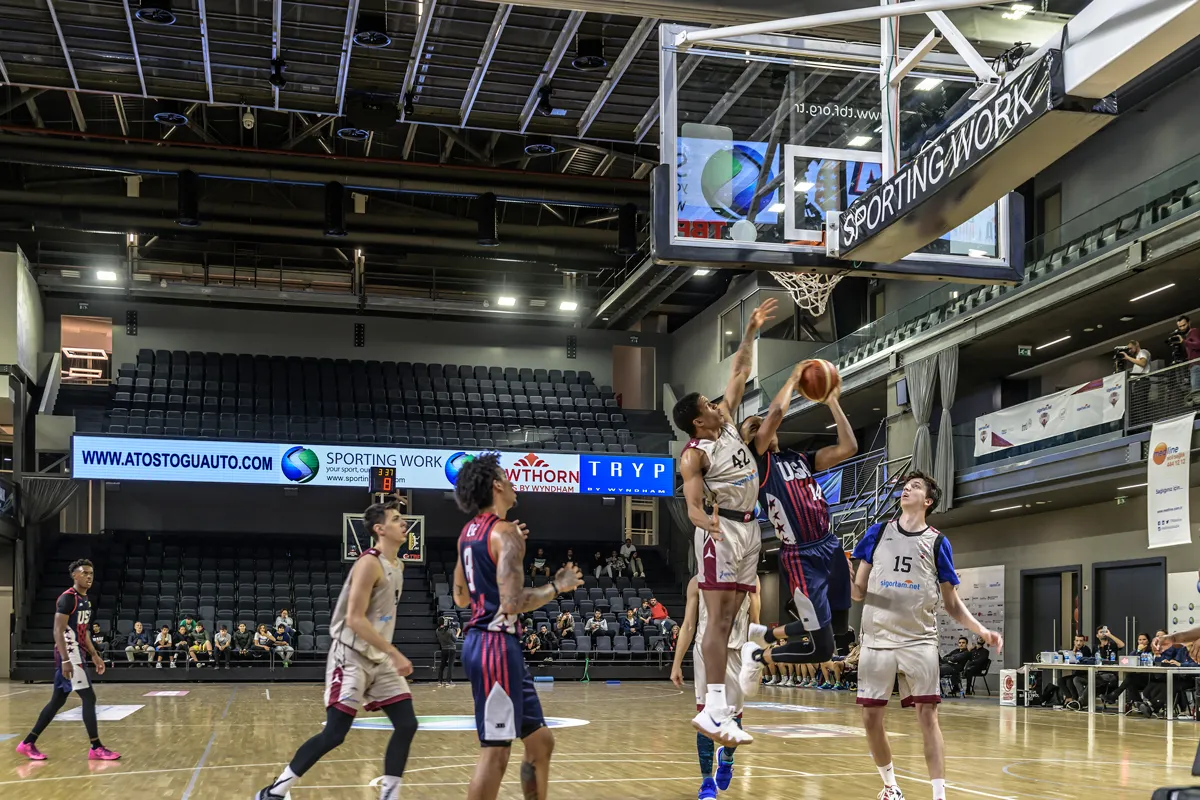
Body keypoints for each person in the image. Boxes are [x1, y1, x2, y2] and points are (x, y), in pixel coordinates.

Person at [850, 471, 1002, 800]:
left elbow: (952, 603)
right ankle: (890, 786)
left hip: (919, 639)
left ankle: (939, 795)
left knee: (927, 715)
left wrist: (981, 630)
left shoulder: (937, 543)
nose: (907, 489)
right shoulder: (877, 533)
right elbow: (858, 592)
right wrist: (840, 576)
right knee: (870, 717)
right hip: (877, 639)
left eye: (915, 487)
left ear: (928, 501)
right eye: (905, 486)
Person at [255, 498, 418, 800]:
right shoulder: (369, 564)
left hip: (379, 657)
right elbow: (354, 619)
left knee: (407, 724)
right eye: (396, 519)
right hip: (351, 655)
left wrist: (387, 653)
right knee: (335, 734)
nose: (403, 523)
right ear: (380, 529)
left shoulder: (399, 565)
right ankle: (275, 791)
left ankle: (389, 795)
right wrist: (394, 652)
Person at [672, 298, 777, 748]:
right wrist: (706, 525)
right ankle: (712, 709)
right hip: (722, 529)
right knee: (716, 621)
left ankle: (723, 709)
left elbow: (739, 371)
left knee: (732, 618)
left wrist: (750, 331)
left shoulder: (728, 424)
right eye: (708, 405)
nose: (718, 404)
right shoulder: (694, 454)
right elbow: (692, 507)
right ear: (699, 420)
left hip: (750, 528)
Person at [451, 452, 583, 800]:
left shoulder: (468, 533)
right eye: (507, 478)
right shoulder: (506, 533)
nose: (513, 483)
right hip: (495, 645)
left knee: (540, 741)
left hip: (485, 644)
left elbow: (461, 597)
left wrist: (503, 551)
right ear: (496, 485)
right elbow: (512, 603)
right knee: (496, 752)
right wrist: (556, 586)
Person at [737, 358, 858, 697]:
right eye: (753, 427)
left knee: (840, 628)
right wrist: (792, 378)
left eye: (761, 423)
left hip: (830, 545)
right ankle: (759, 655)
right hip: (801, 556)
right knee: (822, 649)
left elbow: (849, 448)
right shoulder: (758, 464)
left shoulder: (800, 459)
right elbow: (776, 414)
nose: (761, 426)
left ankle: (767, 634)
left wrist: (832, 401)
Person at [16, 559, 120, 761]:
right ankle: (96, 746)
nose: (89, 576)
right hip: (70, 655)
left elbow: (84, 631)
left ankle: (28, 743)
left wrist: (94, 654)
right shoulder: (67, 598)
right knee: (89, 698)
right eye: (84, 573)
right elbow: (58, 630)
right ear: (75, 575)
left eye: (91, 573)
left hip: (78, 653)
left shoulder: (86, 599)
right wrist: (65, 659)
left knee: (57, 701)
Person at [672, 575, 761, 800]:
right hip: (705, 651)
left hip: (737, 652)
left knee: (735, 721)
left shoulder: (751, 579)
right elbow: (688, 625)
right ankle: (706, 782)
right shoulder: (697, 581)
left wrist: (757, 663)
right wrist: (676, 662)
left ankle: (727, 758)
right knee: (706, 717)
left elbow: (755, 624)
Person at [1105, 632, 1152, 708]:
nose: (1141, 641)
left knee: (1130, 678)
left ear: (1148, 641)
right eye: (1140, 640)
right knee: (1130, 680)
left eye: (1144, 639)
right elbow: (1129, 660)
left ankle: (1113, 696)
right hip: (1137, 677)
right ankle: (1140, 705)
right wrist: (1138, 651)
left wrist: (1139, 652)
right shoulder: (1135, 651)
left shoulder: (1151, 651)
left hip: (1148, 677)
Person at [1060, 634, 1093, 709]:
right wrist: (1073, 651)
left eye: (1081, 641)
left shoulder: (1086, 650)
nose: (1078, 643)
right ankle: (1069, 698)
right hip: (1076, 673)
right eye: (1077, 641)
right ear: (1074, 641)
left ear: (1083, 642)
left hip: (1084, 674)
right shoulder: (1072, 650)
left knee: (1069, 681)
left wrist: (1075, 653)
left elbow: (1083, 661)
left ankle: (1076, 700)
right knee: (1060, 680)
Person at [436, 619, 458, 686]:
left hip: (443, 649)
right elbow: (455, 640)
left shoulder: (437, 631)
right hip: (451, 649)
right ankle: (448, 681)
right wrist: (458, 632)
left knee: (442, 665)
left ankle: (439, 681)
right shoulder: (449, 630)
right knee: (450, 666)